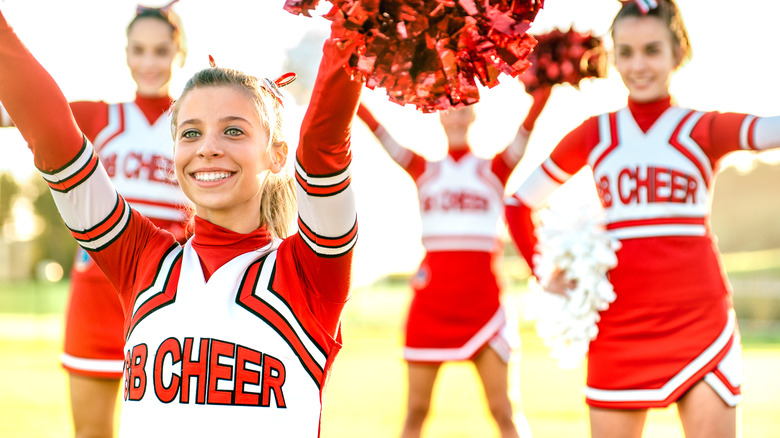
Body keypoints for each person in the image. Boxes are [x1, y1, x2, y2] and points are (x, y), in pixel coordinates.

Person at [0, 5, 361, 436]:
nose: (207, 147)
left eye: (233, 130)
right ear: (174, 156)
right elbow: (50, 130)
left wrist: (359, 25)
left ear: (277, 154)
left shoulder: (310, 273)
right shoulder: (142, 261)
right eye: (190, 132)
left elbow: (323, 150)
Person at [504, 1, 780, 437]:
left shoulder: (701, 128)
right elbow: (519, 202)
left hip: (699, 319)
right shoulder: (596, 134)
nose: (638, 65)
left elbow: (769, 131)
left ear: (677, 53)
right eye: (626, 52)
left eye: (652, 50)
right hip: (620, 326)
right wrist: (543, 272)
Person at [1, 4, 190, 437]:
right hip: (97, 296)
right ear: (125, 53)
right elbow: (18, 108)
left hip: (169, 300)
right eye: (138, 50)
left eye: (161, 51)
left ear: (179, 54)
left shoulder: (194, 121)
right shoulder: (98, 116)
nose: (148, 62)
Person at [357, 86, 550, 438]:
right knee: (415, 411)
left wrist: (550, 80)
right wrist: (350, 88)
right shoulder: (423, 170)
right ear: (438, 114)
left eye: (463, 108)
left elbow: (527, 129)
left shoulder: (495, 168)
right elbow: (379, 132)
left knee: (504, 410)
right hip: (432, 303)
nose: (456, 116)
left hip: (484, 303)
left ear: (474, 115)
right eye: (448, 108)